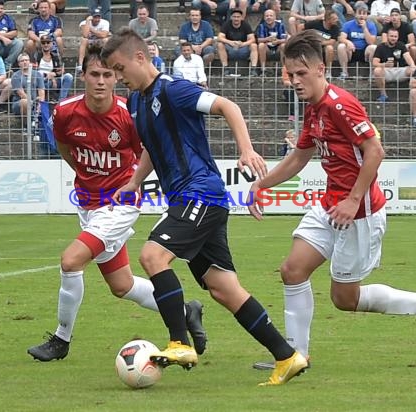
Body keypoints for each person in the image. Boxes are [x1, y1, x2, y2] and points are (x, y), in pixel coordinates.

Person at [101, 28, 307, 386]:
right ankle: (287, 357)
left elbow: (228, 106)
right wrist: (135, 181)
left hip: (201, 194)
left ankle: (180, 342)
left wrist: (245, 149)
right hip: (190, 200)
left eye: (120, 69)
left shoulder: (174, 89)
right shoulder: (137, 102)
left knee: (152, 256)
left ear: (139, 58)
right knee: (224, 289)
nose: (118, 78)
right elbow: (153, 144)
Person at [247, 30, 416, 370]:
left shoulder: (340, 105)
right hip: (330, 205)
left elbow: (375, 151)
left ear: (320, 69)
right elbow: (299, 157)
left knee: (344, 299)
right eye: (290, 74)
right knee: (292, 270)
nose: (294, 81)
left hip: (359, 211)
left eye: (301, 73)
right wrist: (261, 184)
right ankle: (294, 356)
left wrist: (354, 200)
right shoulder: (313, 109)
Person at [27, 45, 206, 362]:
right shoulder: (66, 112)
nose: (100, 81)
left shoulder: (128, 115)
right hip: (88, 204)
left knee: (71, 261)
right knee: (121, 285)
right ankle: (185, 310)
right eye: (94, 74)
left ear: (116, 77)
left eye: (107, 74)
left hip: (120, 205)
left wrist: (132, 182)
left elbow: (149, 150)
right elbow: (65, 147)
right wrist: (86, 174)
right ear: (83, 76)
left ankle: (61, 339)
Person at [372, 27, 416, 102]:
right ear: (387, 36)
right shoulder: (380, 47)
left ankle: (412, 95)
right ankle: (383, 95)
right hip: (386, 71)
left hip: (400, 70)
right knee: (377, 70)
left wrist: (413, 65)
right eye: (391, 36)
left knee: (414, 69)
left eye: (395, 36)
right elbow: (375, 63)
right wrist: (385, 65)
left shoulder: (401, 45)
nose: (393, 38)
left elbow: (408, 59)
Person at [337, 1, 377, 80]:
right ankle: (344, 73)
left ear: (367, 15)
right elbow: (341, 38)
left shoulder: (371, 25)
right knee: (341, 46)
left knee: (373, 47)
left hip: (365, 52)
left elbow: (371, 42)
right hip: (352, 51)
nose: (361, 16)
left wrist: (365, 28)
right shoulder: (348, 24)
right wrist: (348, 42)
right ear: (355, 14)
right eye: (359, 13)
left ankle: (372, 74)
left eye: (364, 13)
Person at [217, 8, 261, 77]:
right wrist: (230, 42)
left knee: (254, 45)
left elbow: (253, 39)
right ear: (231, 17)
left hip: (243, 49)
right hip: (230, 48)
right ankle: (225, 69)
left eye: (238, 17)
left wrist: (243, 44)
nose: (236, 19)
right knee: (220, 44)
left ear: (241, 18)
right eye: (234, 17)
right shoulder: (226, 24)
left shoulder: (245, 25)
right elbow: (220, 37)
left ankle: (253, 69)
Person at [298, 9, 340, 78]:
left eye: (336, 18)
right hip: (311, 45)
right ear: (328, 20)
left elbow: (332, 41)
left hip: (323, 46)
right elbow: (300, 27)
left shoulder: (335, 28)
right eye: (334, 19)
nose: (337, 20)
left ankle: (328, 71)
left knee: (330, 48)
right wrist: (301, 39)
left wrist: (320, 43)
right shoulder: (316, 23)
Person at [0, 0, 24, 71]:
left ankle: (7, 65)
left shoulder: (8, 18)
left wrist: (0, 34)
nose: (0, 10)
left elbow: (15, 32)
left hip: (8, 44)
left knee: (19, 43)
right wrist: (3, 38)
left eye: (1, 8)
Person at [34, 34, 73, 101]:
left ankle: (61, 101)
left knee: (69, 76)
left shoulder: (55, 56)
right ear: (41, 44)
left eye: (48, 42)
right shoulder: (37, 56)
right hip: (41, 81)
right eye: (43, 43)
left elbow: (62, 70)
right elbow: (33, 70)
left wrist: (54, 75)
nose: (46, 44)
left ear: (51, 44)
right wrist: (47, 76)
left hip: (54, 80)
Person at [256, 8, 288, 75]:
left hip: (278, 47)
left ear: (275, 17)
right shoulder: (261, 26)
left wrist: (278, 41)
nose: (269, 17)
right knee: (261, 45)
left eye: (271, 16)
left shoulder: (280, 25)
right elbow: (258, 40)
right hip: (267, 47)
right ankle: (263, 69)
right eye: (267, 16)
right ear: (264, 18)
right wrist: (267, 39)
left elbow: (285, 39)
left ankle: (284, 70)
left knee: (284, 45)